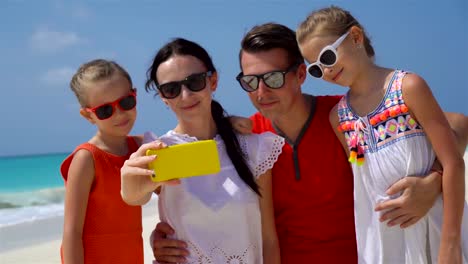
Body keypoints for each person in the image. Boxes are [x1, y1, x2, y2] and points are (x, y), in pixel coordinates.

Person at [151, 24, 467, 264]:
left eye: (273, 78)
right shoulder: (247, 140)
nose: (261, 92)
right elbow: (192, 196)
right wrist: (165, 236)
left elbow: (458, 124)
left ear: (301, 74)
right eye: (250, 81)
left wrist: (435, 179)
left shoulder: (342, 114)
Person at [296, 5, 468, 263]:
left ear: (355, 37)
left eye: (328, 57)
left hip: (434, 231)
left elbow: (453, 161)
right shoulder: (339, 118)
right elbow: (364, 185)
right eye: (316, 69)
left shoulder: (408, 87)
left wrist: (450, 245)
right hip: (383, 247)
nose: (327, 71)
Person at [120, 38, 283, 264]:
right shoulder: (160, 151)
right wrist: (128, 184)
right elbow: (136, 196)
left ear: (213, 81)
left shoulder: (253, 148)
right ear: (163, 98)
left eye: (194, 81)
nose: (185, 95)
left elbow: (269, 239)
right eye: (171, 89)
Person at [61, 59, 147, 263]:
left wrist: (228, 123)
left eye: (126, 102)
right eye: (105, 110)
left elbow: (185, 140)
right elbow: (72, 232)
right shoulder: (86, 158)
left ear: (135, 95)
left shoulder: (141, 148)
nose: (119, 114)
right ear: (88, 116)